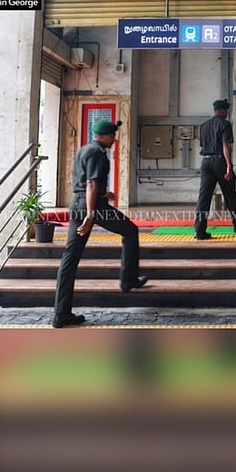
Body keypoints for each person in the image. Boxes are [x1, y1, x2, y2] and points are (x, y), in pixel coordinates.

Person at [52, 120, 147, 328]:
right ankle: (128, 279)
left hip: (78, 204)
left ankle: (61, 313)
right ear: (102, 136)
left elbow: (83, 182)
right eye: (112, 136)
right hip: (93, 207)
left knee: (70, 257)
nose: (114, 140)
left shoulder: (83, 150)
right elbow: (91, 183)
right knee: (131, 230)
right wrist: (91, 214)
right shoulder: (97, 153)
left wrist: (104, 194)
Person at [194, 99, 236, 240]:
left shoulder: (204, 126)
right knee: (230, 194)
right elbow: (226, 146)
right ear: (223, 111)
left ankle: (199, 230)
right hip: (220, 162)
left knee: (203, 197)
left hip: (205, 162)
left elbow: (203, 145)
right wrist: (229, 166)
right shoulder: (225, 124)